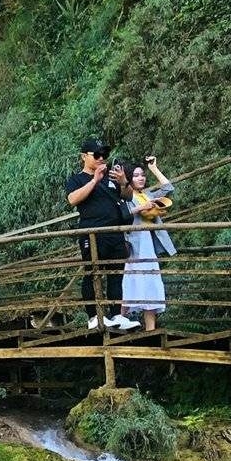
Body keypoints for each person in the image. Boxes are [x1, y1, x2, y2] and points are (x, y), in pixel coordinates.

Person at [66, 138, 140, 331]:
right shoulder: (77, 179)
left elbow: (129, 196)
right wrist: (95, 180)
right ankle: (94, 317)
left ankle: (117, 314)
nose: (101, 158)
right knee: (93, 274)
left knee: (116, 274)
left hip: (115, 233)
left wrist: (124, 182)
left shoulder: (112, 177)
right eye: (96, 155)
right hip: (92, 234)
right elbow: (73, 199)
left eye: (104, 155)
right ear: (84, 157)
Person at [121, 157, 175, 331]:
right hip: (132, 245)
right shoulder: (126, 196)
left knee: (151, 282)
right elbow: (121, 214)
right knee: (130, 281)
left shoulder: (148, 195)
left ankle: (150, 329)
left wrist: (154, 168)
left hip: (148, 244)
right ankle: (120, 320)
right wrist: (140, 209)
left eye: (142, 175)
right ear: (128, 178)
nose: (141, 178)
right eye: (136, 175)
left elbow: (168, 188)